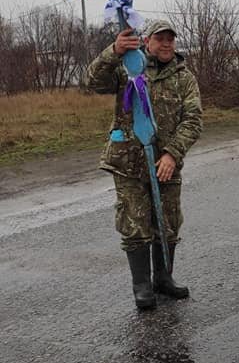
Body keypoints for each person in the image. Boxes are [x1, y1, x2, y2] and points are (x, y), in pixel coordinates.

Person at [87, 20, 202, 309]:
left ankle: (164, 278)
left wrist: (172, 154)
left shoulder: (184, 77)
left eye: (170, 39)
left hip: (166, 164)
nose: (166, 44)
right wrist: (113, 50)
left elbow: (193, 120)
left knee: (168, 223)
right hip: (128, 162)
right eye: (160, 39)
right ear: (147, 41)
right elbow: (93, 81)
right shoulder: (129, 69)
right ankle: (142, 286)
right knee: (135, 224)